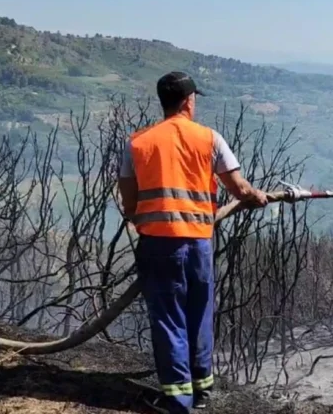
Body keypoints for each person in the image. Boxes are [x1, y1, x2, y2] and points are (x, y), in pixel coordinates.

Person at [118, 71, 268, 413]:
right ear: (189, 101)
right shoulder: (209, 138)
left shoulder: (138, 142)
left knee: (169, 319)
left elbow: (130, 203)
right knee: (198, 313)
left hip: (158, 245)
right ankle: (197, 391)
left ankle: (178, 397)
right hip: (198, 244)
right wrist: (256, 196)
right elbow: (239, 188)